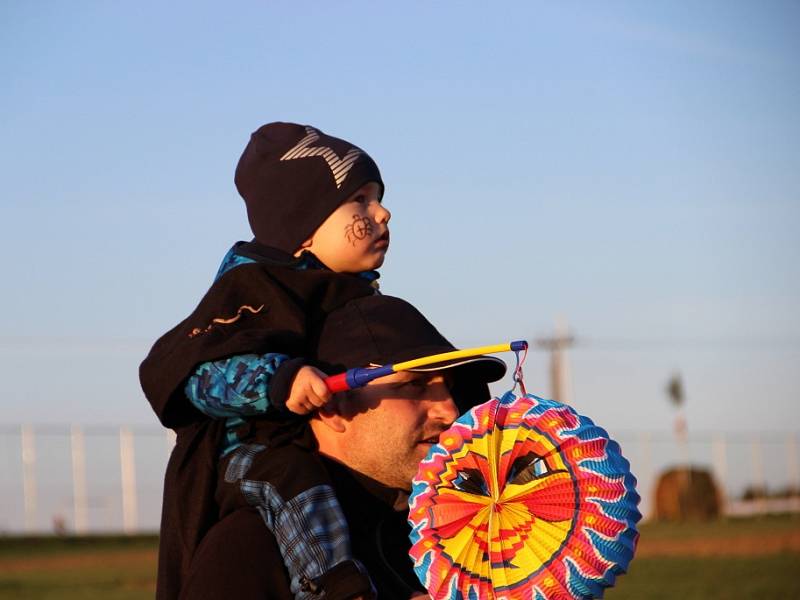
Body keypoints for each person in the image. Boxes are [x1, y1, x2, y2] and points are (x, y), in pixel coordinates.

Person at [140, 122, 392, 599]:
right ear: (302, 228)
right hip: (247, 458)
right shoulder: (251, 289)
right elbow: (195, 375)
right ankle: (334, 586)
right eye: (360, 199)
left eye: (377, 197)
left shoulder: (354, 297)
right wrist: (278, 378)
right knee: (293, 479)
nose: (383, 212)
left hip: (315, 449)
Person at [178, 294, 508, 599]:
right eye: (416, 384)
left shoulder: (444, 542)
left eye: (449, 387)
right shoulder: (251, 545)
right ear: (332, 406)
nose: (449, 410)